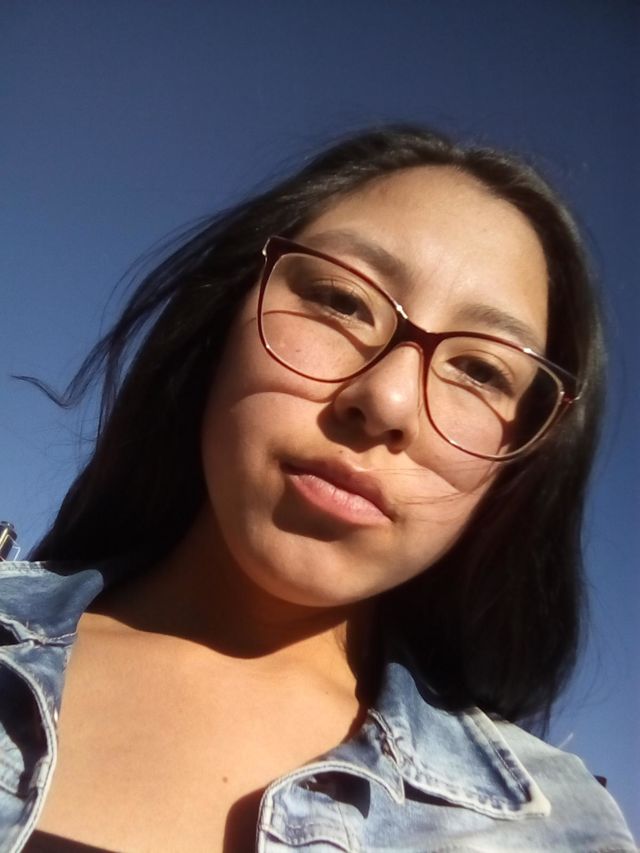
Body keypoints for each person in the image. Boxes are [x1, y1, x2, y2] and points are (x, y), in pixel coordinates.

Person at [1, 125, 635, 853]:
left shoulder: (558, 831)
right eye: (342, 301)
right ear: (225, 315)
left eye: (481, 371)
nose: (388, 400)